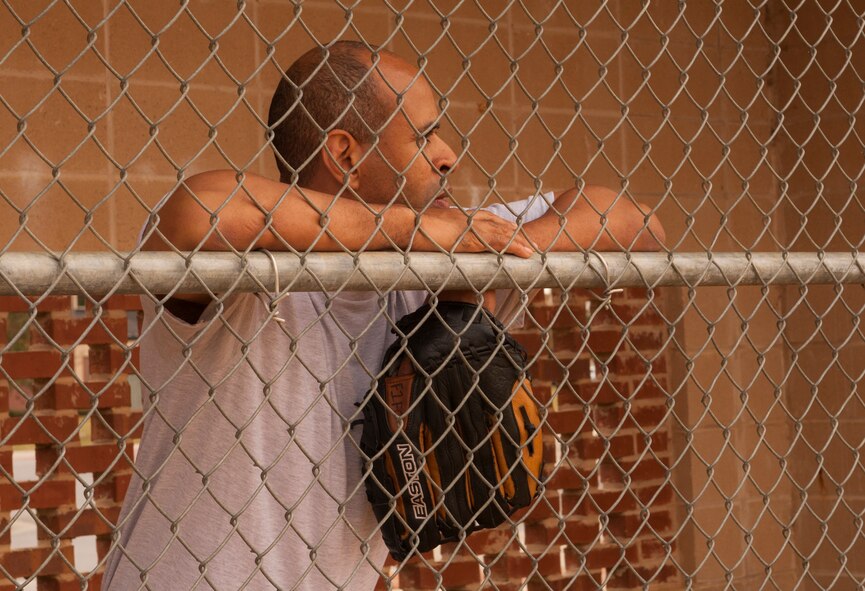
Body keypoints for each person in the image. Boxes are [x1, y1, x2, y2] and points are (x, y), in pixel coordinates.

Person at [102, 41, 664, 590]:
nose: (448, 155)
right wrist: (413, 229)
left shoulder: (443, 259)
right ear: (345, 154)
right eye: (423, 137)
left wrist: (512, 244)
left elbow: (639, 223)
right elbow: (199, 207)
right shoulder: (253, 269)